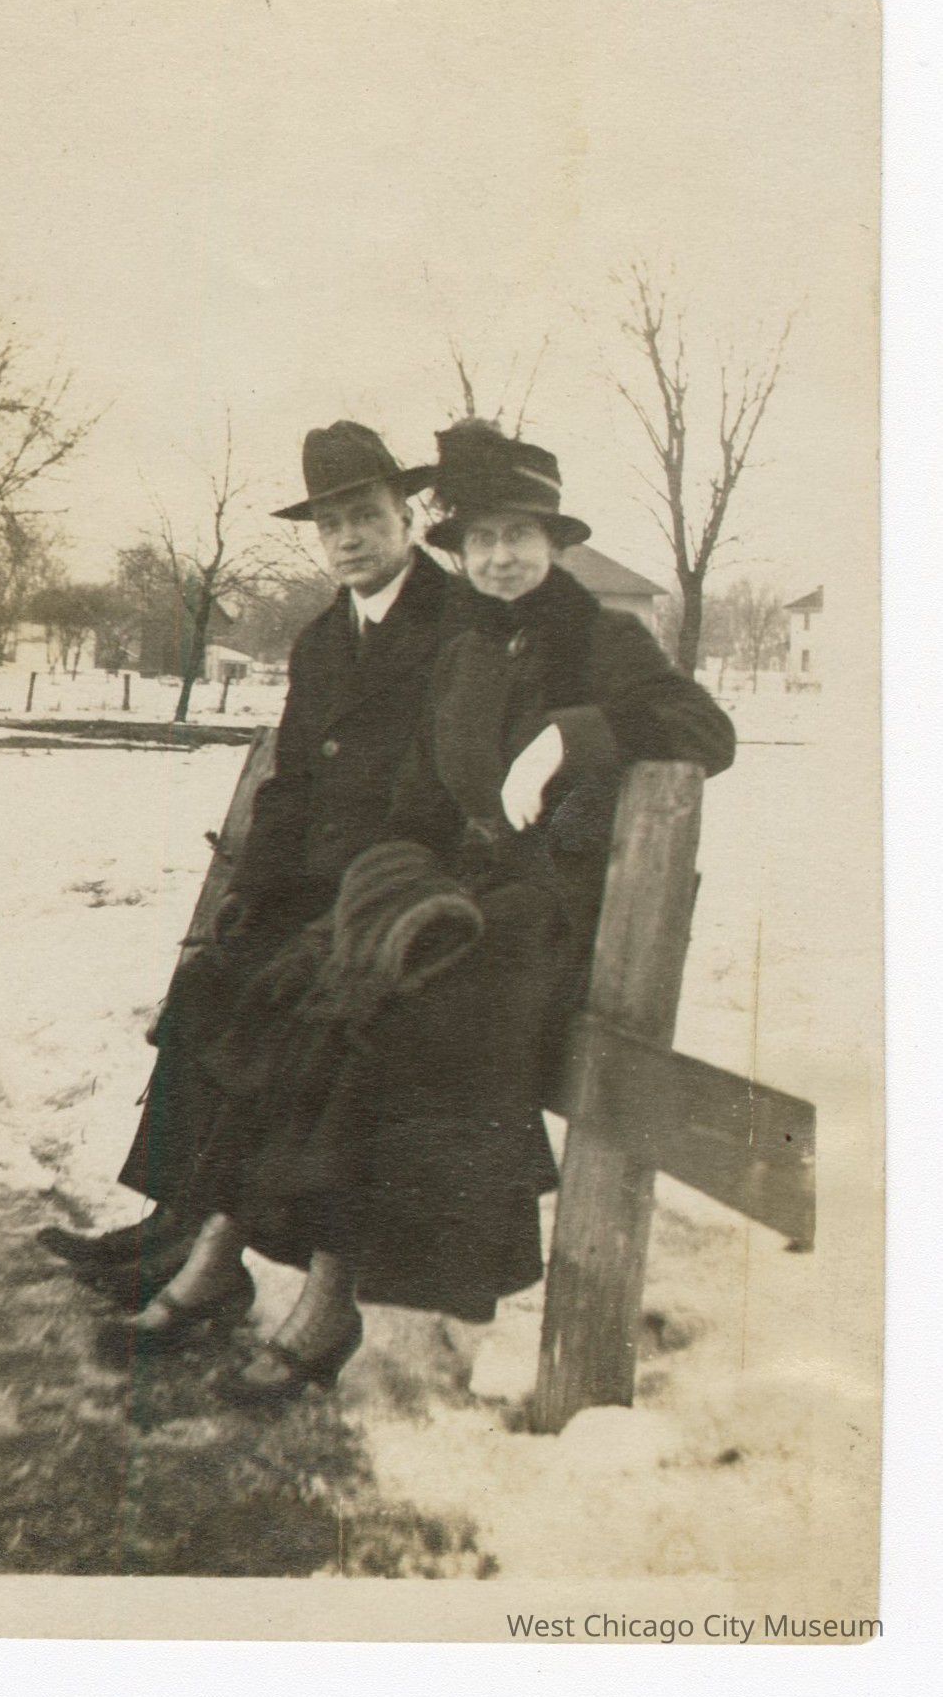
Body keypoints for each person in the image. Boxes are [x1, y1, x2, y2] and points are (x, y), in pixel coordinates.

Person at [104, 418, 736, 1400]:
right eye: (481, 540)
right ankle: (224, 1257)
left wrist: (572, 735)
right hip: (469, 902)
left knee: (384, 1025)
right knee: (309, 982)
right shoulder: (470, 646)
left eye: (518, 535)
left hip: (549, 922)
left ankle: (334, 1305)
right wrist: (376, 887)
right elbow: (420, 798)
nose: (498, 557)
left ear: (554, 542)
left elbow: (705, 728)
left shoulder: (598, 635)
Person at [38, 422, 448, 1307]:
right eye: (330, 523)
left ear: (407, 515)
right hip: (309, 892)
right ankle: (174, 1223)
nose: (348, 538)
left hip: (394, 896)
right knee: (211, 984)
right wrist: (252, 893)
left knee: (279, 1006)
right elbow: (291, 784)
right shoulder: (322, 639)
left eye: (366, 516)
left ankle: (205, 1253)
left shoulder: (454, 623)